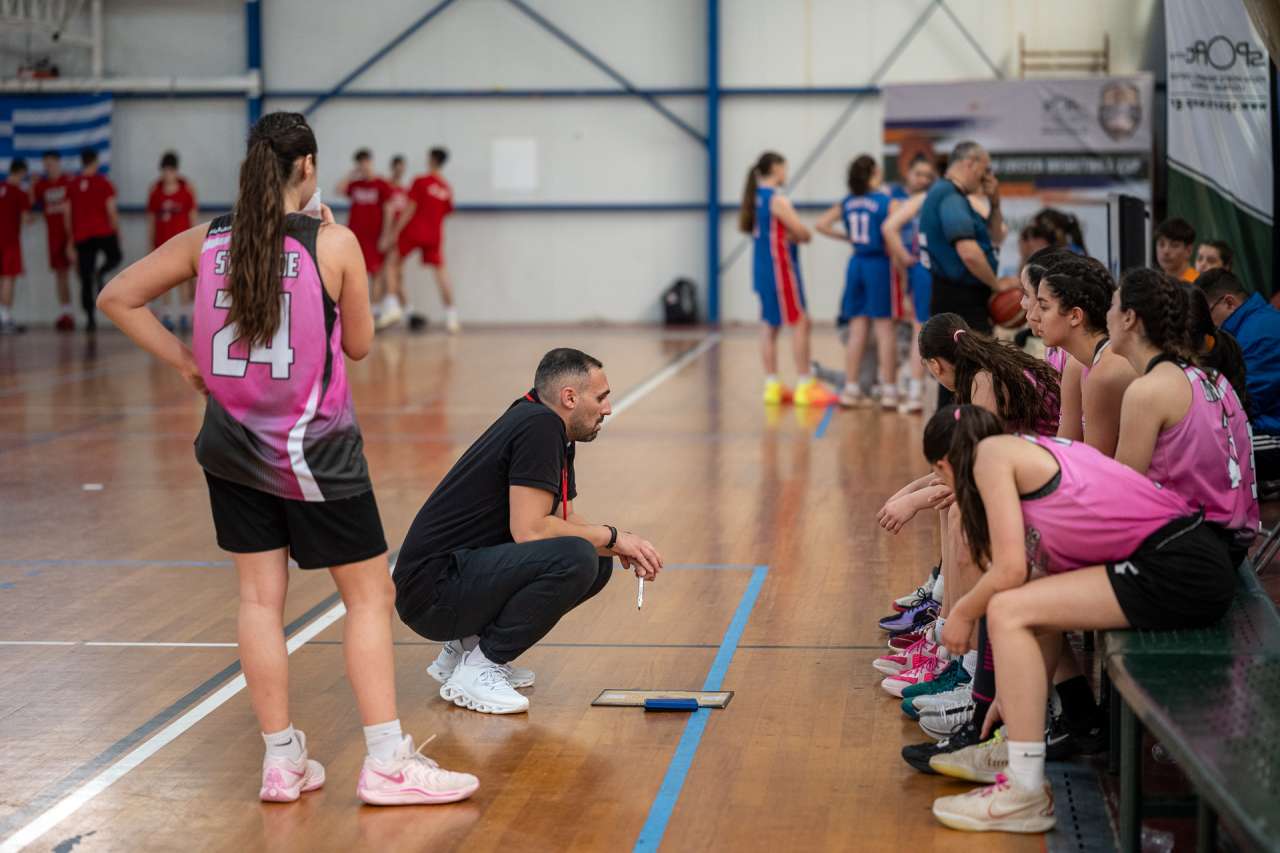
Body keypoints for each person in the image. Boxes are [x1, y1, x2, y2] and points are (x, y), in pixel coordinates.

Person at [96, 111, 477, 806]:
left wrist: (187, 361)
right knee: (368, 597)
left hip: (230, 447)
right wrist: (333, 249)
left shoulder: (205, 239)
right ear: (307, 167)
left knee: (257, 601)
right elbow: (359, 345)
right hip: (316, 449)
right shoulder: (333, 243)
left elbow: (116, 296)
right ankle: (387, 762)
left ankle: (281, 761)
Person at [923, 405, 1234, 833]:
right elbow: (1031, 576)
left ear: (945, 465)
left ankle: (1024, 793)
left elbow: (1009, 569)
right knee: (1027, 600)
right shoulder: (1025, 449)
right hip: (1186, 556)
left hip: (1176, 564)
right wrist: (1014, 691)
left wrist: (962, 611)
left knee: (1007, 609)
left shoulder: (990, 456)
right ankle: (1019, 747)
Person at [393, 348, 664, 715]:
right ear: (569, 397)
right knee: (579, 556)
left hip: (448, 578)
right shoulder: (540, 427)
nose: (608, 409)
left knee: (596, 557)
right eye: (601, 398)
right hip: (433, 592)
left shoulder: (542, 419)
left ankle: (465, 649)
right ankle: (480, 667)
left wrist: (618, 544)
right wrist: (613, 536)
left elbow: (560, 517)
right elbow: (532, 530)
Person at [1108, 268, 1259, 563]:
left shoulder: (1148, 391)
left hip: (1189, 551)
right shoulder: (1210, 376)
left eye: (1112, 305)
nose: (1106, 315)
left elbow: (1120, 498)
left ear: (1129, 317)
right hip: (1223, 544)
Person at [739, 151, 835, 407]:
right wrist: (802, 234)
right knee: (801, 322)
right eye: (784, 167)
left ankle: (771, 385)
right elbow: (802, 232)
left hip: (762, 269)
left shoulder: (754, 197)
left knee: (769, 326)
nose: (786, 173)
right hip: (780, 269)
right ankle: (805, 385)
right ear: (776, 169)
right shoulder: (776, 200)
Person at [816, 155, 897, 409]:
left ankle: (851, 388)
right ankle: (889, 390)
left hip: (856, 263)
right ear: (873, 173)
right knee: (884, 329)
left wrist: (846, 237)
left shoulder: (848, 202)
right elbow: (897, 229)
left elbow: (821, 224)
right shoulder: (885, 201)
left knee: (857, 329)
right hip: (878, 264)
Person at [1036, 258, 1136, 456]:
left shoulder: (1106, 372)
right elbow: (1066, 450)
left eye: (1044, 307)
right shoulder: (1080, 365)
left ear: (1075, 316)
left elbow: (1094, 466)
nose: (1034, 316)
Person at [1198, 268, 1280, 498]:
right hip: (1265, 422)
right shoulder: (1254, 324)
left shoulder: (1260, 334)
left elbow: (1245, 403)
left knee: (1206, 447)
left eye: (1207, 314)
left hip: (1272, 432)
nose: (1206, 325)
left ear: (1229, 303)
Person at [384, 147, 459, 333]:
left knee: (392, 262)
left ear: (432, 159)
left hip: (415, 231)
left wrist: (395, 232)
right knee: (441, 273)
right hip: (434, 235)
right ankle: (452, 317)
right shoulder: (446, 188)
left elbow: (409, 209)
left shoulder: (420, 181)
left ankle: (392, 306)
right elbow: (448, 211)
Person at [336, 148, 396, 328]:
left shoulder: (382, 184)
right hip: (355, 236)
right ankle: (355, 312)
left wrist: (386, 234)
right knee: (354, 273)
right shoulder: (355, 185)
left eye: (366, 161)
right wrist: (351, 174)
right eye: (360, 163)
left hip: (375, 236)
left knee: (376, 273)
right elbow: (339, 189)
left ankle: (374, 310)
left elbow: (389, 210)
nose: (364, 165)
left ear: (371, 161)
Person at [68, 147, 121, 331]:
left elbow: (68, 214)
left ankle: (90, 319)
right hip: (102, 231)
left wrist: (70, 239)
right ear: (95, 162)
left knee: (85, 278)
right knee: (115, 257)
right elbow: (111, 210)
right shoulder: (103, 183)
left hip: (82, 235)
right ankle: (101, 272)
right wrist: (116, 231)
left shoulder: (73, 185)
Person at [147, 151, 198, 332]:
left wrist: (195, 243)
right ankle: (167, 314)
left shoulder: (186, 190)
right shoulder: (155, 191)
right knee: (165, 281)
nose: (167, 175)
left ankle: (184, 314)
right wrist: (151, 244)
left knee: (184, 281)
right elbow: (151, 220)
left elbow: (193, 218)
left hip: (183, 245)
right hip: (162, 244)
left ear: (176, 171)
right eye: (165, 171)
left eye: (171, 171)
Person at [33, 150, 75, 331]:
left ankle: (91, 309)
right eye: (46, 165)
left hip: (73, 234)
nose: (48, 168)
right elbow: (29, 204)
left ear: (58, 163)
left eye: (51, 164)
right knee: (61, 274)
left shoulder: (69, 182)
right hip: (54, 236)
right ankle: (66, 312)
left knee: (81, 271)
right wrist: (32, 185)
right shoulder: (41, 185)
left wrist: (72, 238)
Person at [0, 158, 32, 334]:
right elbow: (26, 219)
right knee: (8, 278)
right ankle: (4, 318)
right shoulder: (19, 193)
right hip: (10, 241)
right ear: (20, 172)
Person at [1154, 217, 1197, 282]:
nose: (1166, 251)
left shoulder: (1197, 283)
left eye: (1174, 245)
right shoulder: (1155, 282)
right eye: (1161, 244)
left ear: (1189, 251)